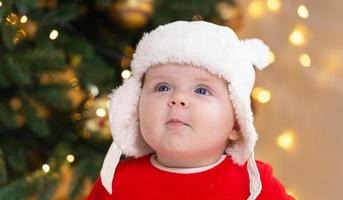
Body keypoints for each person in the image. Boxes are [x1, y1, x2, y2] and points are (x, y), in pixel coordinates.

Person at [86, 20, 295, 200]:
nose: (177, 99)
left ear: (237, 123)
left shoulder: (253, 184)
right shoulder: (116, 183)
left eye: (202, 90)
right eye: (163, 87)